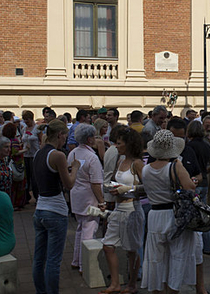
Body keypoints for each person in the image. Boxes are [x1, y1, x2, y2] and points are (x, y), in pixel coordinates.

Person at [140, 130, 200, 294]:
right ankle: (173, 290)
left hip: (155, 215)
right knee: (178, 257)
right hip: (174, 215)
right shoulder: (175, 167)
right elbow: (190, 187)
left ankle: (158, 289)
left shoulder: (145, 170)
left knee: (156, 258)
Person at [32, 120, 77, 293]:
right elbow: (69, 185)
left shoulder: (38, 154)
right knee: (53, 260)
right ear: (60, 135)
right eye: (65, 135)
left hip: (40, 209)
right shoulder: (58, 155)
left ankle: (40, 291)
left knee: (39, 258)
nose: (66, 139)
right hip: (55, 210)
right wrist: (76, 169)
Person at [101, 126, 146, 294]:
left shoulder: (137, 163)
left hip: (132, 210)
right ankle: (115, 283)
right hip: (119, 209)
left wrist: (127, 190)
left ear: (128, 144)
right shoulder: (120, 161)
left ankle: (132, 284)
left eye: (119, 143)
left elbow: (147, 188)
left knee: (131, 250)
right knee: (108, 245)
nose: (116, 146)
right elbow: (114, 179)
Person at [68, 124, 106, 272]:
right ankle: (85, 264)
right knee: (89, 230)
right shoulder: (92, 157)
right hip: (89, 197)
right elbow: (96, 183)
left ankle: (76, 260)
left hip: (76, 195)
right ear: (90, 139)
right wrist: (102, 201)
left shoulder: (73, 153)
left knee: (80, 228)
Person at [186, 121, 210, 255]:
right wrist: (206, 172)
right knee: (205, 214)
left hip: (193, 182)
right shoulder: (206, 145)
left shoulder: (189, 146)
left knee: (194, 215)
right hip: (204, 182)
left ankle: (195, 246)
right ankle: (209, 246)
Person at [2, 123, 27, 210]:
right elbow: (16, 152)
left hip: (7, 164)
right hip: (17, 164)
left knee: (10, 185)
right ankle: (17, 203)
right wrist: (26, 149)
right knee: (19, 184)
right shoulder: (14, 141)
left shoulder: (5, 140)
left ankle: (10, 202)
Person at [21, 110, 40, 202]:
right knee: (26, 176)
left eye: (27, 120)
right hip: (26, 155)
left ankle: (37, 195)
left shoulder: (37, 128)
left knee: (34, 177)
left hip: (34, 154)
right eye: (24, 120)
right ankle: (26, 196)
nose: (26, 122)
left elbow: (41, 141)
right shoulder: (24, 129)